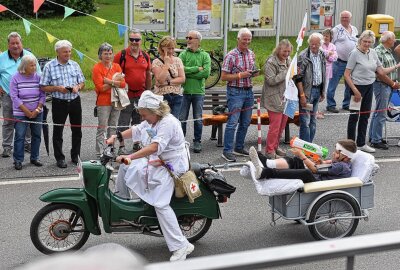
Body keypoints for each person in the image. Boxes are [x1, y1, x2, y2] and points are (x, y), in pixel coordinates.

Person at [106, 90, 194, 262]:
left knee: (161, 204)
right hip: (157, 160)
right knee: (125, 170)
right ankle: (122, 205)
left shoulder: (168, 123)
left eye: (145, 115)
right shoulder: (152, 120)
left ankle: (181, 246)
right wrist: (116, 136)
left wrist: (129, 157)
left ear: (155, 112)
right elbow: (138, 129)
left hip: (171, 166)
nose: (143, 118)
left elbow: (154, 147)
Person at [344, 30, 399, 153]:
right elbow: (346, 75)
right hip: (357, 88)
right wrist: (355, 91)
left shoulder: (373, 52)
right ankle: (350, 145)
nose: (367, 44)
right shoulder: (354, 53)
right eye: (365, 41)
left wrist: (396, 67)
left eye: (369, 42)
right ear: (360, 41)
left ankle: (361, 143)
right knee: (354, 117)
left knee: (365, 115)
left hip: (369, 87)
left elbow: (381, 71)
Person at [40, 40, 85, 168]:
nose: (68, 54)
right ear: (58, 52)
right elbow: (43, 87)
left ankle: (75, 155)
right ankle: (60, 158)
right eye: (65, 52)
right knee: (58, 131)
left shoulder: (75, 65)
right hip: (59, 102)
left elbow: (82, 82)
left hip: (75, 100)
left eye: (69, 51)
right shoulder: (49, 66)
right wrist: (57, 88)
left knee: (77, 130)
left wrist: (77, 87)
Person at [221, 28, 259, 162]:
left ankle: (239, 147)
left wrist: (254, 73)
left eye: (249, 39)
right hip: (235, 92)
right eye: (244, 39)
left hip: (249, 91)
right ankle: (227, 151)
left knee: (246, 122)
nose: (247, 42)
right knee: (232, 123)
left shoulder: (251, 54)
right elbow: (223, 77)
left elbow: (252, 70)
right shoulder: (231, 55)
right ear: (238, 39)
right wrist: (240, 75)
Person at [0, 32, 40, 158]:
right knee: (8, 121)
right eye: (12, 43)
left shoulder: (30, 56)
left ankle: (27, 143)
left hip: (27, 95)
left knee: (27, 120)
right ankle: (7, 147)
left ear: (21, 43)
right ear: (8, 45)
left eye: (17, 43)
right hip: (8, 94)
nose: (15, 46)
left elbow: (39, 74)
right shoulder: (1, 58)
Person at [248, 139, 357, 183]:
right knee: (296, 161)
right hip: (319, 178)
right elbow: (328, 166)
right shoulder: (344, 164)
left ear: (346, 157)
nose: (334, 153)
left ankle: (264, 172)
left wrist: (303, 156)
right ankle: (267, 163)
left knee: (306, 170)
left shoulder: (342, 166)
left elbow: (314, 170)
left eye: (338, 153)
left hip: (319, 183)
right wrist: (323, 162)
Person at [114, 29, 151, 155]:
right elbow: (114, 73)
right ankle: (121, 146)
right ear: (129, 40)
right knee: (123, 122)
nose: (134, 42)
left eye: (137, 40)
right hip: (126, 95)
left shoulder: (145, 56)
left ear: (141, 41)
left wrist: (148, 92)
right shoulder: (121, 55)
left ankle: (136, 144)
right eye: (132, 39)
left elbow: (148, 74)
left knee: (138, 122)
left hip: (141, 95)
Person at [9, 55, 45, 170]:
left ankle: (35, 157)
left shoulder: (39, 77)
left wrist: (37, 110)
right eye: (32, 65)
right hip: (20, 113)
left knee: (37, 135)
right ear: (24, 66)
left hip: (37, 112)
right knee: (20, 136)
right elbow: (14, 97)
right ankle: (18, 160)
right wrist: (27, 112)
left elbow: (43, 95)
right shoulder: (15, 78)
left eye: (35, 65)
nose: (34, 67)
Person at [179, 30, 211, 153]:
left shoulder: (205, 55)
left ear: (198, 40)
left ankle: (197, 141)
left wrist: (188, 73)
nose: (187, 40)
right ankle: (181, 142)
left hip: (198, 92)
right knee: (182, 118)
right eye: (187, 37)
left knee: (198, 118)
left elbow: (206, 73)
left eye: (190, 38)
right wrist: (197, 69)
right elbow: (179, 70)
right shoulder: (183, 54)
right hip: (185, 91)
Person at [92, 43, 126, 157]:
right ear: (100, 55)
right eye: (105, 53)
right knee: (102, 127)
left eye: (110, 53)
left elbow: (123, 84)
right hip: (103, 102)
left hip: (116, 100)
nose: (108, 56)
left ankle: (111, 150)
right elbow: (100, 88)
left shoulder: (116, 66)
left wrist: (108, 81)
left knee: (113, 126)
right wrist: (114, 82)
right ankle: (100, 152)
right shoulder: (97, 68)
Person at [261, 39, 293, 159]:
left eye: (289, 51)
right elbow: (270, 80)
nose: (286, 54)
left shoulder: (288, 60)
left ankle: (275, 146)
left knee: (282, 126)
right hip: (274, 98)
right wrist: (286, 72)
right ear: (279, 49)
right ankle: (269, 151)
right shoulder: (271, 62)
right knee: (274, 127)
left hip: (287, 97)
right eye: (284, 51)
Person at [368, 31, 400, 150]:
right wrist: (392, 82)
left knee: (379, 111)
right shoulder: (379, 51)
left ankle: (374, 136)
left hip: (388, 85)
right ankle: (376, 140)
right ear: (388, 40)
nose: (395, 40)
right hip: (382, 85)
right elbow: (380, 73)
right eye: (393, 38)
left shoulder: (387, 50)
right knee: (381, 113)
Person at [294, 32, 326, 143]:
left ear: (320, 44)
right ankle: (304, 148)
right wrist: (302, 95)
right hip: (307, 92)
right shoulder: (303, 56)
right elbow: (298, 78)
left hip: (317, 90)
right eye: (312, 43)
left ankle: (310, 146)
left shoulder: (322, 54)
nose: (313, 46)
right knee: (305, 121)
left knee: (313, 121)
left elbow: (323, 73)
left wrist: (323, 91)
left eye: (316, 44)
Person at [326, 10, 358, 113]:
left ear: (350, 18)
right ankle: (330, 105)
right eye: (342, 17)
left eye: (346, 17)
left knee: (349, 84)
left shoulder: (354, 29)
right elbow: (330, 43)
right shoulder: (336, 30)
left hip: (351, 63)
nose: (344, 19)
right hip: (338, 62)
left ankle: (346, 104)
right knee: (333, 84)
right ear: (340, 18)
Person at [152, 36, 186, 118]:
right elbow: (160, 80)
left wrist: (168, 82)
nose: (171, 51)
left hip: (177, 95)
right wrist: (166, 65)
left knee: (175, 121)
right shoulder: (156, 62)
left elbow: (182, 79)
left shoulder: (178, 60)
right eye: (168, 49)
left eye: (172, 48)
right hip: (163, 97)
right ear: (162, 48)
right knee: (164, 121)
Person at [317, 28, 337, 119]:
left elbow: (335, 57)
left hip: (328, 72)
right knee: (317, 90)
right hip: (319, 71)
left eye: (327, 36)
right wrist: (328, 53)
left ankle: (316, 109)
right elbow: (321, 53)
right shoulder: (320, 45)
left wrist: (329, 56)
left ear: (331, 37)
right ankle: (315, 110)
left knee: (323, 91)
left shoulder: (333, 46)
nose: (325, 37)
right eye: (324, 35)